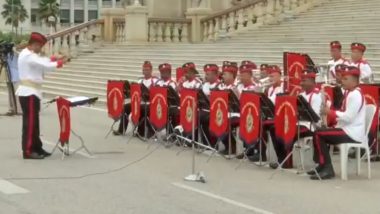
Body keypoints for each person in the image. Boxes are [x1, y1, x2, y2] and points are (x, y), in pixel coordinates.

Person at [309, 66, 366, 180]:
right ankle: (322, 164)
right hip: (347, 129)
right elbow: (345, 113)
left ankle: (327, 168)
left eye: (345, 79)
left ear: (354, 81)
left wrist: (330, 113)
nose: (342, 81)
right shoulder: (350, 93)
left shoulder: (355, 95)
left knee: (319, 134)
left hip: (351, 133)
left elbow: (349, 117)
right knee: (319, 132)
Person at [16, 32, 67, 159]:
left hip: (32, 92)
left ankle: (37, 147)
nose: (41, 48)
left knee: (35, 123)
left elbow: (41, 62)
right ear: (34, 44)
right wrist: (59, 63)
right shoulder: (28, 56)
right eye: (40, 46)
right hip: (29, 93)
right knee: (30, 123)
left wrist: (53, 59)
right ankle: (28, 150)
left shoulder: (31, 55)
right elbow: (45, 65)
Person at [269, 69, 321, 169]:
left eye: (304, 81)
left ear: (312, 82)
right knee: (274, 128)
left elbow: (316, 117)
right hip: (298, 122)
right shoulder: (301, 95)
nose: (301, 83)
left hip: (310, 126)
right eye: (301, 81)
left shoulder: (316, 96)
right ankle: (281, 158)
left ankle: (287, 162)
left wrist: (299, 113)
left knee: (289, 131)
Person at [114, 61, 158, 136]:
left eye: (147, 69)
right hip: (139, 102)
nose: (145, 71)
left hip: (150, 103)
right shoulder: (140, 80)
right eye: (144, 69)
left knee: (141, 109)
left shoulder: (155, 81)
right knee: (126, 107)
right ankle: (121, 130)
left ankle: (141, 132)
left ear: (151, 70)